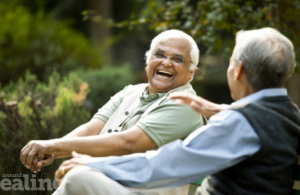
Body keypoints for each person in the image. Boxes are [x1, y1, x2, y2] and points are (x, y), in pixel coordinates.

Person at [52, 27, 300, 195]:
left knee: (78, 178)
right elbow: (260, 126)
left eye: (230, 62)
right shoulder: (290, 113)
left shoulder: (240, 123)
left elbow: (170, 163)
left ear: (238, 70)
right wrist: (226, 111)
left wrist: (97, 164)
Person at [20, 29, 206, 194]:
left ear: (191, 72)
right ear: (148, 62)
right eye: (160, 55)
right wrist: (52, 150)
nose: (166, 62)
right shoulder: (130, 92)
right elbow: (91, 130)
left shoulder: (185, 103)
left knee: (79, 177)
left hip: (146, 190)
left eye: (177, 58)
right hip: (111, 182)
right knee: (77, 176)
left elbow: (129, 143)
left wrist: (54, 147)